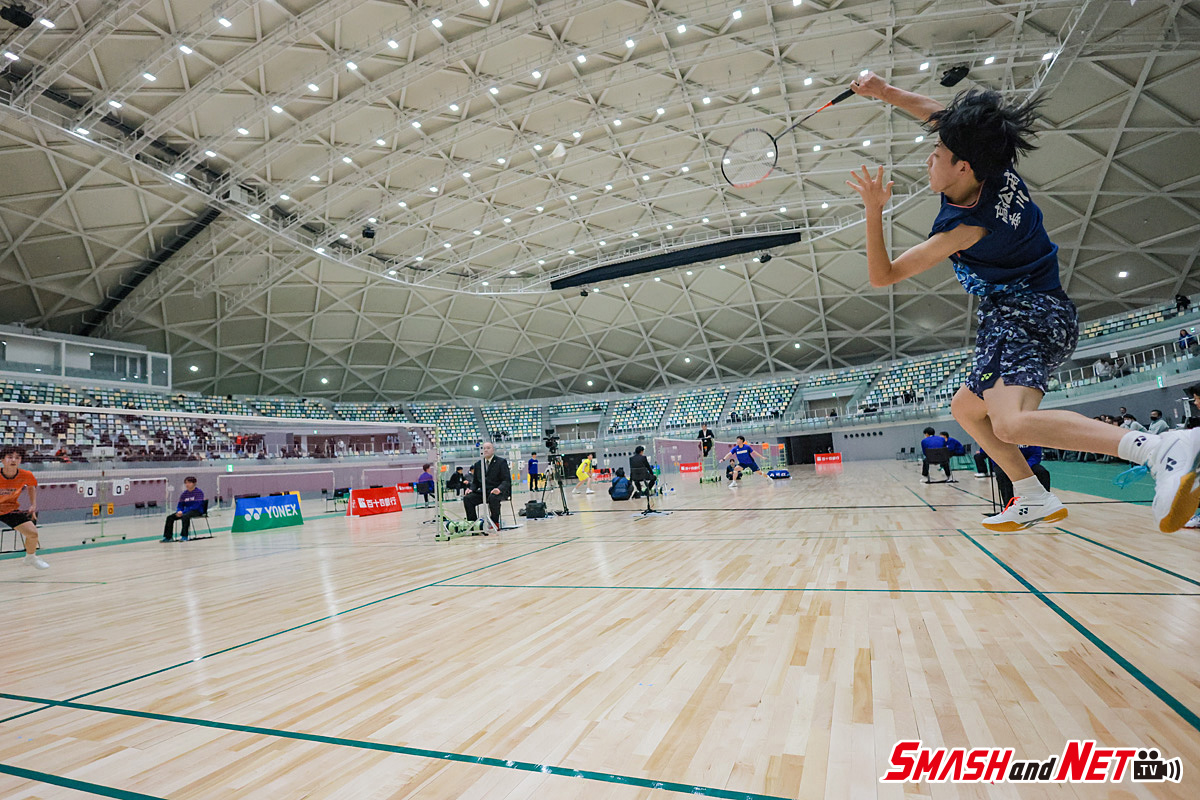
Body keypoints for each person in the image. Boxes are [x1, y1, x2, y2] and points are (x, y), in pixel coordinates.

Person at [847, 72, 1200, 533]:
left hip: (1022, 315)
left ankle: (1157, 449)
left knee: (1010, 424)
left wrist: (874, 208)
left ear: (963, 168)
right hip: (1045, 313)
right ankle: (1031, 492)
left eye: (938, 154)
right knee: (966, 408)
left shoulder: (964, 226)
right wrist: (885, 92)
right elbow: (942, 118)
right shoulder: (994, 165)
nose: (929, 158)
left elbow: (883, 275)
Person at [1, 446, 48, 569]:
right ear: (2, 460)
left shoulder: (26, 475)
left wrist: (33, 504)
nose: (13, 460)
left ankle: (30, 558)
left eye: (17, 458)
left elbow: (31, 486)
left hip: (9, 509)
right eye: (10, 457)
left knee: (32, 533)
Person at [463, 442, 510, 530]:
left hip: (497, 491)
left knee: (493, 497)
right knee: (468, 498)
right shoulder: (478, 464)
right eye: (483, 448)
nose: (485, 450)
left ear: (493, 450)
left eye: (488, 448)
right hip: (483, 491)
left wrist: (499, 489)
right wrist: (471, 489)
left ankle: (495, 522)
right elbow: (475, 482)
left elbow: (506, 480)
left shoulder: (501, 462)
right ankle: (473, 524)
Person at [163, 476, 205, 542]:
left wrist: (184, 511)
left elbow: (196, 505)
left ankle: (184, 536)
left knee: (185, 516)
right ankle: (168, 537)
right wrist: (179, 511)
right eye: (186, 483)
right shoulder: (184, 494)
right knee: (170, 517)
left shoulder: (199, 492)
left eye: (189, 483)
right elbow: (180, 504)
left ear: (194, 483)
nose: (187, 485)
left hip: (196, 511)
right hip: (185, 511)